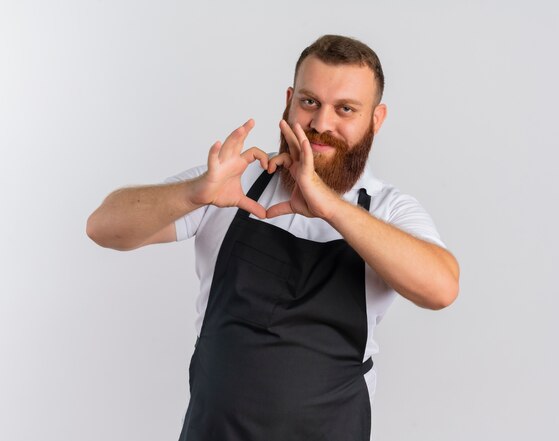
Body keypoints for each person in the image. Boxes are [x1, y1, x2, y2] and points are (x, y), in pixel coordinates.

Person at [87, 34, 460, 441]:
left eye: (345, 109)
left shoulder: (387, 210)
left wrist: (332, 208)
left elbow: (441, 288)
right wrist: (195, 192)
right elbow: (103, 227)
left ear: (376, 118)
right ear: (288, 100)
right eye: (309, 102)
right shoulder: (232, 183)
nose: (321, 124)